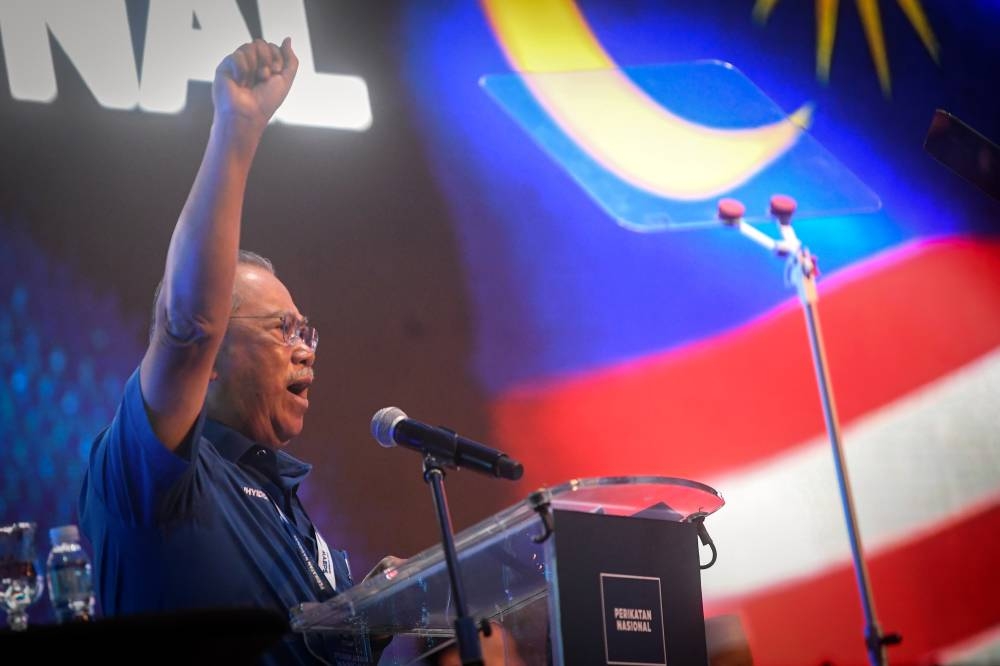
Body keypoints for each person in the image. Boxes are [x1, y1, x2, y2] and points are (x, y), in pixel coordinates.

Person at [79, 39, 376, 664]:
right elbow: (188, 324)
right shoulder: (153, 475)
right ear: (215, 356)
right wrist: (238, 130)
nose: (306, 353)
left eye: (307, 333)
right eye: (283, 330)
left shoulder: (280, 500)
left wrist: (379, 611)